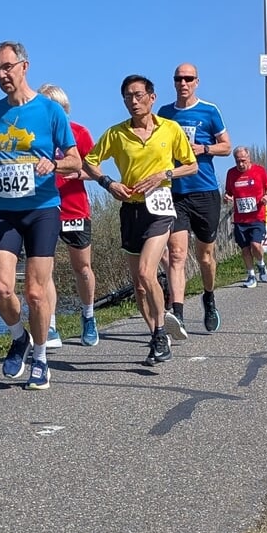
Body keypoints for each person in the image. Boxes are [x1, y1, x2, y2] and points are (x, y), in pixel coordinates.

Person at [0, 43, 78, 389]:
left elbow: (75, 160)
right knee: (1, 287)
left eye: (7, 67)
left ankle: (41, 358)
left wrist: (55, 164)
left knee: (35, 292)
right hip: (3, 209)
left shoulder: (50, 110)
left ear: (24, 66)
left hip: (42, 209)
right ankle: (18, 337)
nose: (2, 75)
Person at [84, 74, 197, 366]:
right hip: (130, 210)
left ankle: (160, 333)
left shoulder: (170, 129)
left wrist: (164, 174)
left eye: (138, 95)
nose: (133, 102)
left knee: (147, 272)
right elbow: (90, 162)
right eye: (127, 97)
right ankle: (157, 335)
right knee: (139, 284)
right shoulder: (116, 133)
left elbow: (191, 165)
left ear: (152, 98)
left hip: (159, 207)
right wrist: (109, 183)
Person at [158, 62, 229, 335]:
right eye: (179, 79)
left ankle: (209, 297)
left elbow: (227, 146)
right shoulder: (165, 114)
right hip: (176, 192)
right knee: (176, 254)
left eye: (188, 78)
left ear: (197, 82)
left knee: (205, 256)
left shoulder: (209, 111)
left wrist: (205, 148)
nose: (183, 83)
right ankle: (178, 314)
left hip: (204, 191)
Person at [39, 83, 99, 345]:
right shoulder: (35, 135)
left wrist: (76, 173)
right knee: (44, 269)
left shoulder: (79, 133)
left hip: (74, 208)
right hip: (43, 207)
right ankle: (50, 325)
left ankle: (88, 315)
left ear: (63, 108)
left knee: (82, 267)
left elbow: (95, 171)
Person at [225, 146, 267, 287]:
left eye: (243, 160)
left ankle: (261, 264)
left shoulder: (259, 171)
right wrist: (227, 197)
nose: (240, 164)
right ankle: (251, 275)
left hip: (257, 216)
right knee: (245, 249)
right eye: (238, 161)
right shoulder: (231, 173)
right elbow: (228, 192)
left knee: (255, 245)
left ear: (249, 158)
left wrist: (266, 196)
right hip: (240, 219)